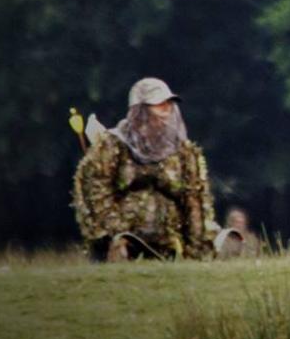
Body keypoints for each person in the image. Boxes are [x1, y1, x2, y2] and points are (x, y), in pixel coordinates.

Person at [72, 77, 219, 260]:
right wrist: (113, 236)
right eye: (159, 104)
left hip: (169, 246)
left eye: (168, 103)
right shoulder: (111, 146)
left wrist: (197, 249)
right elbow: (96, 196)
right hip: (122, 246)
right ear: (140, 111)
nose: (166, 109)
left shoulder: (184, 152)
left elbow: (194, 203)